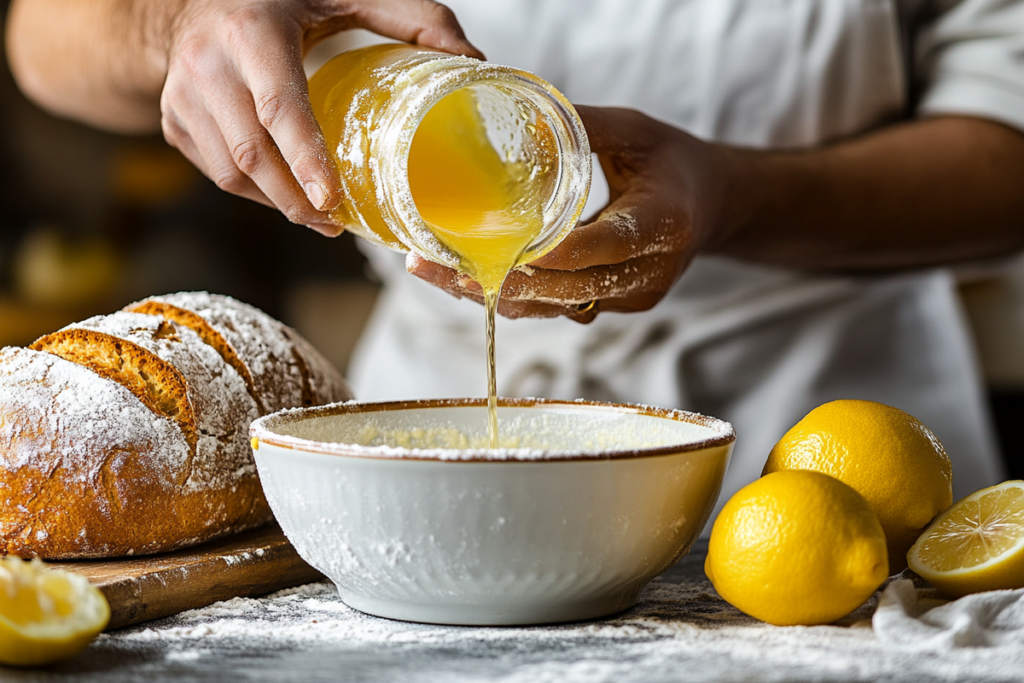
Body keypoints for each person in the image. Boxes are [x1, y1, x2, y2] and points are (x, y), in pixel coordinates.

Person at [7, 0, 1024, 519]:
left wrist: (734, 196)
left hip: (819, 448)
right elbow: (44, 34)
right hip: (424, 434)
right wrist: (176, 20)